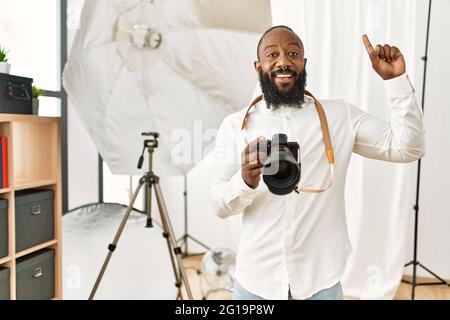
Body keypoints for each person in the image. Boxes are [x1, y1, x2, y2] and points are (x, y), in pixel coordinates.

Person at [209, 25, 425, 300]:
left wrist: (396, 82)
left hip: (319, 283)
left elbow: (409, 148)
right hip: (256, 284)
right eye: (272, 54)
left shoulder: (339, 117)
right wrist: (245, 180)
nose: (284, 61)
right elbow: (219, 205)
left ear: (303, 63)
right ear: (258, 66)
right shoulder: (235, 126)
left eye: (293, 53)